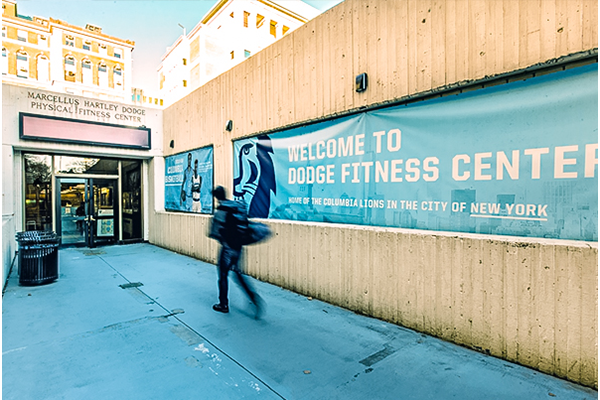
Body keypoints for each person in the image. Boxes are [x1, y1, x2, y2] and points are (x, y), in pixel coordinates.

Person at [209, 186, 263, 318]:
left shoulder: (221, 210)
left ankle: (223, 305)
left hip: (227, 248)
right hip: (238, 247)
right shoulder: (236, 206)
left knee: (223, 275)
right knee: (237, 273)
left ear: (216, 197)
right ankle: (253, 297)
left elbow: (214, 232)